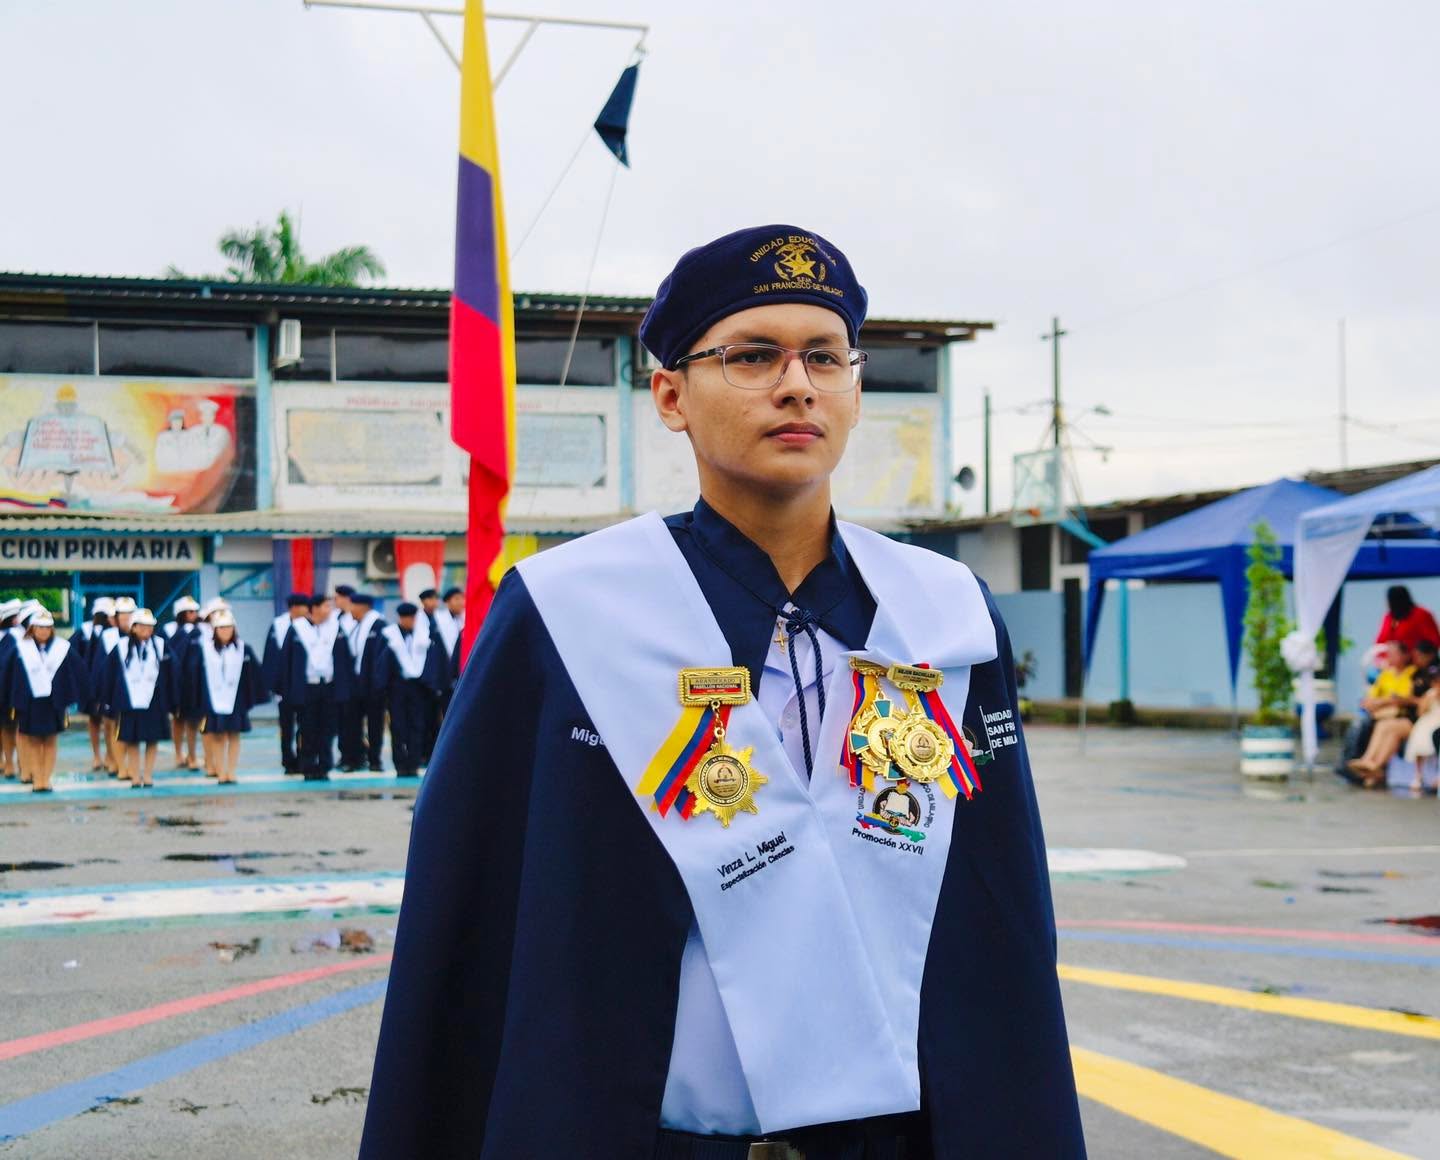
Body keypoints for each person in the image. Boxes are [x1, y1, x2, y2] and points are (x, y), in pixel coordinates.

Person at [360, 225, 1085, 1158]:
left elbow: (1000, 920)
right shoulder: (570, 613)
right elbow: (472, 913)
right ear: (670, 395)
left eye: (825, 357)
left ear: (855, 389)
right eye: (752, 356)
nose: (797, 385)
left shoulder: (943, 616)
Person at [182, 609, 268, 785]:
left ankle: (231, 770)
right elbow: (194, 674)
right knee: (218, 734)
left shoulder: (243, 648)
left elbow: (252, 675)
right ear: (214, 630)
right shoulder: (204, 649)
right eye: (221, 628)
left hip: (235, 697)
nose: (225, 632)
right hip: (213, 698)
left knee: (234, 734)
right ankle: (220, 770)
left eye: (228, 628)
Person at [6, 610, 87, 793]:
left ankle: (46, 779)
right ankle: (37, 778)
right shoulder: (21, 648)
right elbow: (10, 675)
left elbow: (77, 671)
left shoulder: (62, 647)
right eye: (39, 628)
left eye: (47, 628)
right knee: (34, 741)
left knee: (50, 740)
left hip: (54, 702)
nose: (43, 631)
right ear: (32, 629)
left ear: (52, 630)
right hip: (31, 702)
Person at [280, 594, 354, 780]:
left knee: (328, 727)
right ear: (314, 609)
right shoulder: (297, 629)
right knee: (307, 727)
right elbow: (287, 662)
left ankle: (325, 763)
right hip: (307, 687)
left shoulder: (336, 629)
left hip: (328, 686)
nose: (329, 610)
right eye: (325, 606)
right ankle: (308, 764)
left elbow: (344, 660)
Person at [101, 608, 172, 789]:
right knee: (132, 739)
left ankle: (147, 774)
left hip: (154, 699)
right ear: (133, 627)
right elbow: (109, 674)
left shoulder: (161, 645)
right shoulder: (122, 646)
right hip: (129, 699)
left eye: (150, 627)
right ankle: (134, 775)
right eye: (142, 626)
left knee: (152, 738)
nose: (146, 630)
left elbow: (172, 673)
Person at [374, 602, 443, 777]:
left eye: (412, 618)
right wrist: (383, 688)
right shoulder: (389, 636)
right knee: (398, 726)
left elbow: (432, 662)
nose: (409, 621)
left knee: (417, 725)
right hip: (397, 687)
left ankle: (413, 762)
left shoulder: (424, 636)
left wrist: (430, 685)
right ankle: (400, 764)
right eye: (406, 617)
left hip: (418, 688)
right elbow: (382, 664)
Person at [1347, 640, 1417, 787]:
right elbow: (1373, 697)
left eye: (1393, 653)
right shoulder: (1386, 674)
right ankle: (1370, 763)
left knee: (1388, 728)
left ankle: (1373, 765)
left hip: (1404, 718)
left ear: (1404, 655)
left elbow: (1400, 698)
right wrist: (1375, 703)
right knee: (1383, 726)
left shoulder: (1411, 673)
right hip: (1385, 717)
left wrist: (1381, 702)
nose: (1389, 657)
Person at [263, 593, 311, 774]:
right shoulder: (278, 625)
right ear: (293, 608)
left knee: (304, 725)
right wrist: (272, 686)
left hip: (304, 686)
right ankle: (287, 758)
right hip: (283, 687)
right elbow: (270, 657)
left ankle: (302, 756)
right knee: (286, 726)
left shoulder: (309, 626)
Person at [340, 592, 388, 772]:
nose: (350, 610)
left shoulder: (379, 625)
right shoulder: (354, 627)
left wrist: (379, 683)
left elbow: (381, 659)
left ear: (362, 607)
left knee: (375, 723)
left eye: (352, 606)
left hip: (373, 685)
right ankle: (355, 758)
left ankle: (375, 759)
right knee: (352, 723)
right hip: (355, 685)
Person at [93, 596, 138, 778]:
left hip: (135, 690)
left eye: (130, 615)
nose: (126, 620)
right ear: (114, 618)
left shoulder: (142, 634)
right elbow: (99, 667)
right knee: (111, 726)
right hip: (113, 690)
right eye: (123, 616)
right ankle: (115, 761)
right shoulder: (108, 636)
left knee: (129, 728)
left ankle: (125, 763)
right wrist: (100, 694)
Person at [164, 595, 204, 770]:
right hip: (175, 682)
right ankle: (178, 753)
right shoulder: (169, 630)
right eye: (189, 611)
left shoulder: (202, 631)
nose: (193, 614)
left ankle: (192, 755)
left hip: (195, 683)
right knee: (178, 719)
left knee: (193, 721)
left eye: (195, 611)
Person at [76, 596, 115, 771]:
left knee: (108, 721)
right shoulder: (85, 630)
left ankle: (109, 756)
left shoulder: (114, 632)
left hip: (107, 682)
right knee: (95, 720)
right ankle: (97, 755)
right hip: (90, 682)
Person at [1402, 638, 1440, 792]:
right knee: (1420, 733)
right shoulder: (1430, 693)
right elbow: (1421, 711)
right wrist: (1428, 699)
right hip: (1428, 720)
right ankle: (1418, 774)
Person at [415, 589, 444, 762]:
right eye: (430, 600)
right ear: (424, 601)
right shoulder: (420, 619)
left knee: (435, 717)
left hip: (436, 677)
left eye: (435, 599)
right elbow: (421, 644)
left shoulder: (438, 619)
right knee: (423, 717)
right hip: (423, 675)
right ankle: (423, 752)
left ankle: (432, 752)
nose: (433, 603)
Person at [431, 586, 465, 722]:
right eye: (456, 599)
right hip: (445, 681)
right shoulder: (438, 622)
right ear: (447, 602)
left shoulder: (466, 619)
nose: (461, 602)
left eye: (462, 598)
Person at [1375, 585, 1440, 653]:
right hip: (1394, 661)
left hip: (1419, 660)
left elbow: (1434, 641)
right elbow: (1380, 641)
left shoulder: (1420, 614)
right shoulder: (1389, 617)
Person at [0, 599, 21, 779]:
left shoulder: (14, 638)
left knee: (10, 727)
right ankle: (5, 762)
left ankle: (13, 763)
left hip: (8, 691)